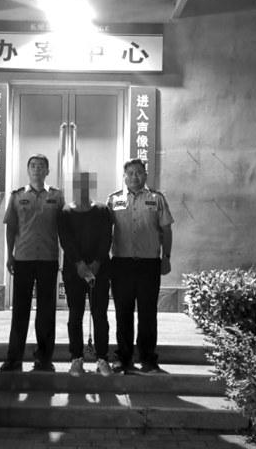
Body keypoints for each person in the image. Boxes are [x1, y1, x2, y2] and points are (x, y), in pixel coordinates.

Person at [106, 158, 173, 374]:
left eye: (138, 172)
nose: (134, 176)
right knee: (123, 312)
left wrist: (166, 257)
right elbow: (104, 231)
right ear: (124, 176)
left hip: (148, 265)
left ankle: (148, 358)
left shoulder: (156, 198)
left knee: (147, 313)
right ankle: (123, 358)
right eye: (130, 173)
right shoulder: (113, 200)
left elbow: (166, 230)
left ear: (145, 175)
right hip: (121, 264)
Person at [0, 154, 65, 372]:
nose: (37, 169)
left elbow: (64, 229)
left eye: (41, 166)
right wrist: (10, 256)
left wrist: (66, 258)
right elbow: (11, 228)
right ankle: (14, 359)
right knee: (20, 310)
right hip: (23, 259)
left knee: (46, 312)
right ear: (28, 170)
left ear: (47, 171)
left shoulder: (57, 196)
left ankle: (44, 359)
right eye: (33, 166)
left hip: (48, 259)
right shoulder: (17, 196)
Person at [57, 171, 113, 377]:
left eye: (86, 185)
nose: (82, 189)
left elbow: (107, 237)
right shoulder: (65, 212)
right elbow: (65, 240)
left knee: (100, 315)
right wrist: (79, 264)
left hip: (100, 270)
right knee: (75, 315)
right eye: (78, 185)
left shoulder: (102, 210)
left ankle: (102, 359)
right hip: (74, 271)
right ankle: (76, 358)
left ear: (91, 187)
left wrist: (97, 262)